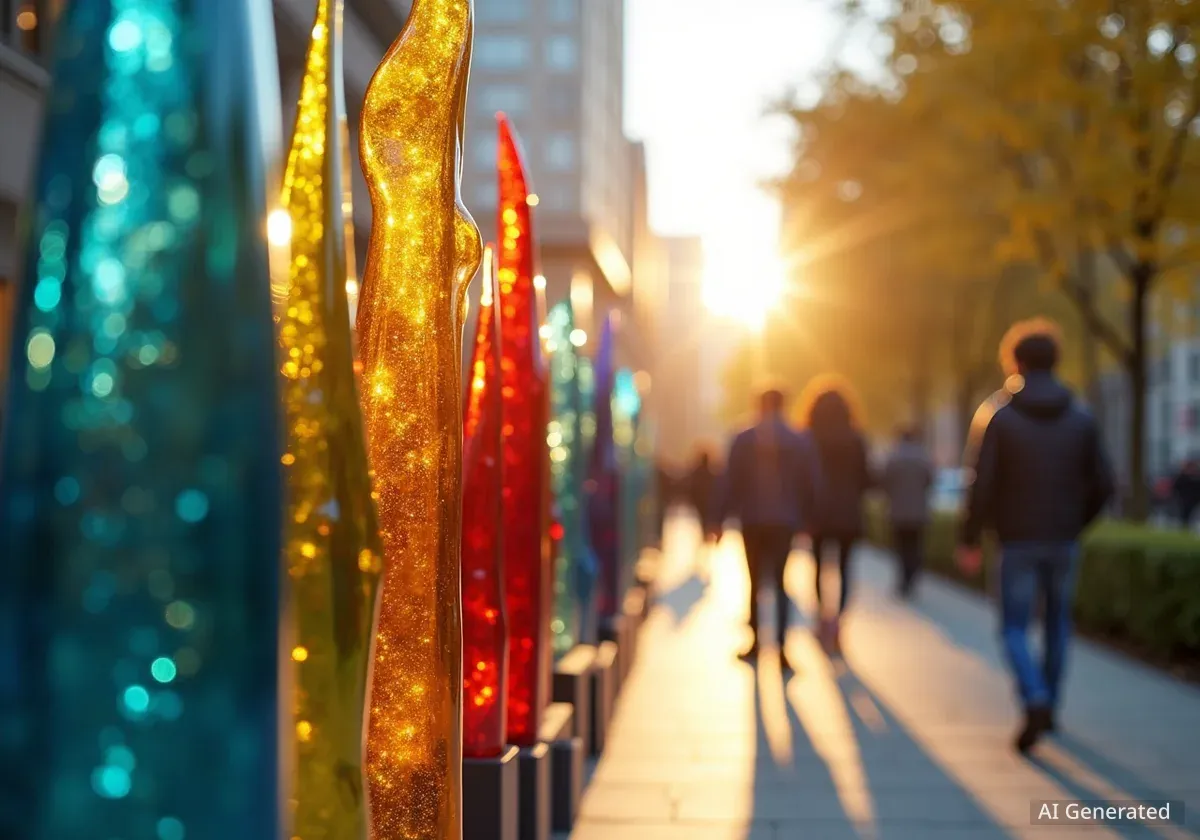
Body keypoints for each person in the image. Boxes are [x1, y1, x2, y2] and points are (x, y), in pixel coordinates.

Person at [956, 318, 1113, 755]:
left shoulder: (999, 416)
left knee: (1013, 627)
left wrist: (970, 538)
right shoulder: (1081, 417)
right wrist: (1075, 521)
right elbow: (1104, 484)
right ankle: (1051, 705)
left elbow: (980, 484)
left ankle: (1034, 696)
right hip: (1063, 539)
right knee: (1059, 623)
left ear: (1016, 362)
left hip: (1016, 540)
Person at [710, 386, 820, 672]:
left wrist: (718, 520)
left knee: (755, 581)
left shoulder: (743, 437)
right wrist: (809, 519)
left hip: (752, 519)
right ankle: (782, 647)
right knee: (782, 582)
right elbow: (811, 482)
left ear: (758, 404)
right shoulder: (799, 440)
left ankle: (756, 642)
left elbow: (728, 481)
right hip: (785, 521)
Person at [797, 376, 872, 656]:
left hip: (818, 513)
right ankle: (838, 622)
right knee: (844, 570)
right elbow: (866, 479)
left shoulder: (809, 438)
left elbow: (802, 480)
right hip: (849, 513)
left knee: (818, 568)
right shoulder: (856, 438)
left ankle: (821, 619)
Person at [882, 425, 933, 599]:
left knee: (901, 548)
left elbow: (885, 482)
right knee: (915, 547)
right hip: (918, 512)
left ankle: (903, 579)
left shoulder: (894, 457)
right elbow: (930, 480)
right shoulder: (923, 457)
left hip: (897, 512)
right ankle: (912, 577)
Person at [1172, 459, 1200, 527]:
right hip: (1184, 501)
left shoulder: (1196, 478)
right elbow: (1176, 487)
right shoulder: (1182, 478)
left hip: (1195, 501)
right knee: (1185, 515)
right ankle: (1185, 525)